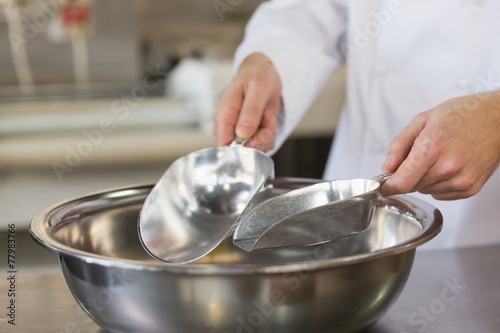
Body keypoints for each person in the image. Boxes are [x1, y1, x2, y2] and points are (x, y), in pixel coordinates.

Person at [213, 0, 500, 249]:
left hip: (482, 238)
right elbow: (308, 13)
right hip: (349, 216)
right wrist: (266, 60)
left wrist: (494, 117)